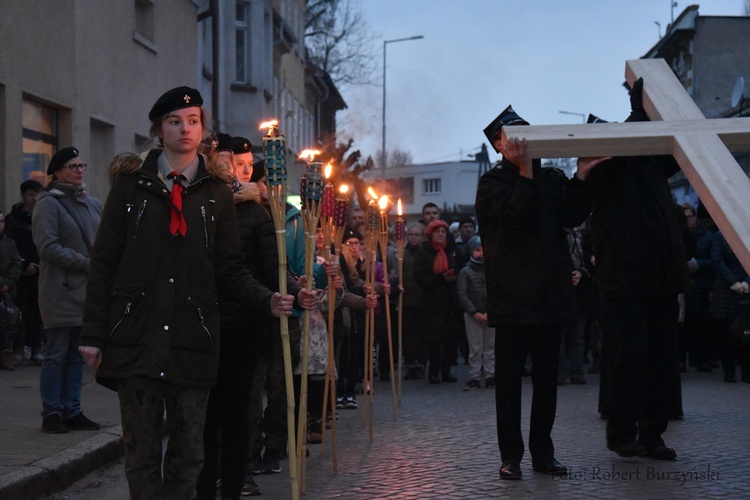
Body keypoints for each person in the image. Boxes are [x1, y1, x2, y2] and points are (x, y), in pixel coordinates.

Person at [78, 87, 306, 499]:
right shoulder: (130, 187)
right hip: (137, 336)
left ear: (202, 129)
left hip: (193, 337)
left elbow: (230, 268)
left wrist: (267, 299)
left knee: (189, 454)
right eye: (175, 121)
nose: (185, 129)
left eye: (193, 121)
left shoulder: (216, 193)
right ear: (159, 129)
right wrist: (93, 334)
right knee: (142, 454)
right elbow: (104, 263)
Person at [476, 105, 592, 480]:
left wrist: (581, 178)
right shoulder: (492, 184)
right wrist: (525, 173)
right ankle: (511, 456)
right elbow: (515, 216)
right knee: (509, 383)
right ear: (498, 146)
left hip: (549, 298)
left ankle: (543, 453)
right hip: (512, 300)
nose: (523, 144)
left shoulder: (552, 178)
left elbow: (573, 214)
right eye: (512, 138)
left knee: (547, 381)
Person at [578, 78, 686, 461]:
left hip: (659, 274)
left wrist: (666, 110)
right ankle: (622, 432)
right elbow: (630, 142)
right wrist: (639, 107)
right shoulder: (609, 166)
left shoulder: (653, 161)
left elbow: (681, 148)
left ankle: (652, 434)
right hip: (624, 277)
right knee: (631, 353)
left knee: (659, 357)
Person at [32, 147, 102, 434]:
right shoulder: (48, 203)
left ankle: (72, 409)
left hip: (86, 291)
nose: (79, 170)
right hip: (60, 290)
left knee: (77, 355)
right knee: (56, 353)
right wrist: (87, 264)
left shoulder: (92, 203)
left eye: (81, 165)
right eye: (73, 166)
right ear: (58, 171)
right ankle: (52, 412)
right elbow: (48, 247)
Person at [413, 219, 460, 384]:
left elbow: (460, 268)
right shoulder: (424, 252)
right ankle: (434, 371)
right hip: (431, 301)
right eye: (437, 231)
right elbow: (420, 277)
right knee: (434, 340)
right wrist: (441, 279)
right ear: (430, 234)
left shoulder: (451, 250)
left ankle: (446, 371)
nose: (441, 234)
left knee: (449, 339)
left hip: (450, 301)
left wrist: (453, 277)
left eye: (443, 231)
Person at [4, 180, 45, 365]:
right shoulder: (13, 219)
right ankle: (20, 347)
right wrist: (24, 264)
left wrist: (39, 263)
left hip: (41, 271)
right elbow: (12, 247)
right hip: (21, 275)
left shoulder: (44, 216)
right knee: (20, 310)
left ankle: (37, 346)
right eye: (30, 194)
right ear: (23, 195)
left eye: (37, 194)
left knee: (39, 310)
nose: (34, 199)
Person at [456, 235, 494, 390]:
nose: (481, 253)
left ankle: (490, 375)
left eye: (484, 250)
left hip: (491, 315)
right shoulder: (466, 272)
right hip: (473, 316)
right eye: (478, 250)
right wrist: (473, 312)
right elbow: (462, 294)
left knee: (490, 347)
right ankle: (474, 376)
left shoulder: (492, 270)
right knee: (475, 347)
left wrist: (491, 311)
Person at [402, 222, 428, 380]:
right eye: (410, 235)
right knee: (408, 334)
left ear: (422, 236)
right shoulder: (403, 253)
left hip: (422, 299)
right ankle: (410, 364)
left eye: (416, 235)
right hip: (406, 300)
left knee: (421, 334)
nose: (413, 237)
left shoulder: (424, 253)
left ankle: (421, 364)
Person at [0, 210, 22, 370]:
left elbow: (16, 262)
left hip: (6, 291)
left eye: (1, 221)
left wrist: (7, 282)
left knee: (6, 325)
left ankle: (5, 356)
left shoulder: (8, 242)